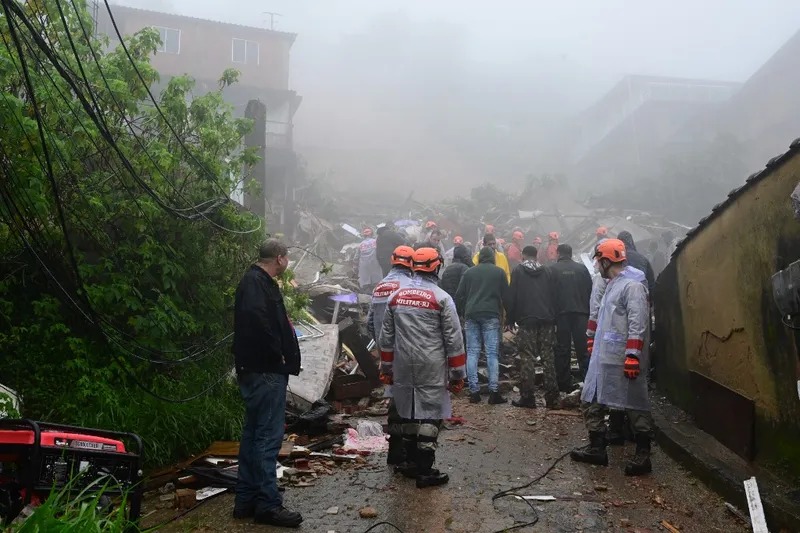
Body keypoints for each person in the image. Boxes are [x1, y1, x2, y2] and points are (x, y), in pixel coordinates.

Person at [379, 248, 466, 488]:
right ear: (436, 267)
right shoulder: (442, 298)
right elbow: (453, 338)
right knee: (431, 412)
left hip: (403, 362)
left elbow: (386, 336)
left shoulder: (395, 297)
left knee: (408, 408)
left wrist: (386, 367)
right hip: (431, 362)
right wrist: (458, 373)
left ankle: (409, 463)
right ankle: (425, 469)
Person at [233, 239, 303, 527]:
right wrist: (276, 355)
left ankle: (246, 500)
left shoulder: (258, 281)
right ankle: (267, 504)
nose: (286, 263)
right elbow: (258, 322)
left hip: (259, 369)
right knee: (266, 438)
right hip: (265, 371)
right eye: (286, 258)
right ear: (279, 258)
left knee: (253, 435)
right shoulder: (256, 283)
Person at [571, 239, 653, 476]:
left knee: (634, 404)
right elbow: (601, 316)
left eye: (598, 261)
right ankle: (597, 448)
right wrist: (591, 338)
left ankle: (643, 454)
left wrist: (632, 355)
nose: (596, 266)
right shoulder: (611, 285)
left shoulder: (633, 287)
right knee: (591, 398)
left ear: (607, 260)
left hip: (622, 358)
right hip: (605, 356)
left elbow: (638, 324)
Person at [366, 246, 415, 466]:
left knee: (396, 400)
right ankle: (407, 453)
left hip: (387, 356)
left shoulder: (379, 287)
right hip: (408, 353)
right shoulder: (410, 287)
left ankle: (394, 450)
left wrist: (381, 345)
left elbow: (369, 324)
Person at [506, 246, 559, 409]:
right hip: (547, 320)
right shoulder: (547, 271)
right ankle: (553, 399)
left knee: (527, 357)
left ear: (523, 255)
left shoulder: (518, 271)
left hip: (527, 320)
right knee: (548, 357)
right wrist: (554, 318)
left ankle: (528, 397)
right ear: (536, 256)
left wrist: (510, 318)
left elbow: (512, 295)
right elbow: (553, 295)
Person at [456, 247, 509, 405]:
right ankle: (494, 392)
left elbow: (459, 294)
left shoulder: (469, 272)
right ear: (492, 257)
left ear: (479, 258)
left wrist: (463, 311)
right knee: (492, 353)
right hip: (491, 314)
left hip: (471, 314)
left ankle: (474, 392)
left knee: (472, 352)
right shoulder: (499, 272)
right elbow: (506, 296)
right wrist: (509, 316)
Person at [550, 244, 593, 389]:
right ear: (571, 253)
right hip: (581, 314)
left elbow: (549, 294)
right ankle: (588, 381)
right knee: (583, 349)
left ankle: (564, 383)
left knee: (562, 348)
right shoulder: (582, 269)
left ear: (558, 253)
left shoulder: (552, 269)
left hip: (561, 315)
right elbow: (590, 290)